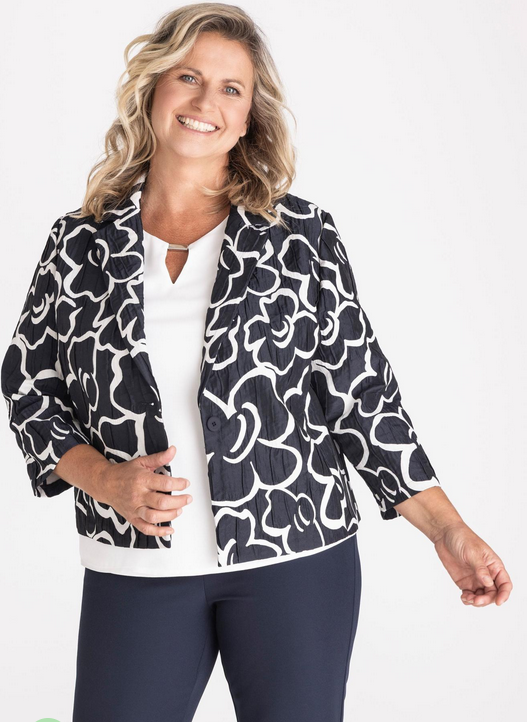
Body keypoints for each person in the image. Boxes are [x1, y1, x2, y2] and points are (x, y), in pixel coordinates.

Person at [1, 4, 512, 721]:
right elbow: (29, 387)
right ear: (154, 88)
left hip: (295, 562)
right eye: (188, 77)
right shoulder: (78, 244)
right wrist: (105, 479)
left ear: (247, 118)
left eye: (230, 88)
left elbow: (362, 398)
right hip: (135, 562)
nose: (206, 101)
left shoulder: (299, 237)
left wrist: (446, 528)